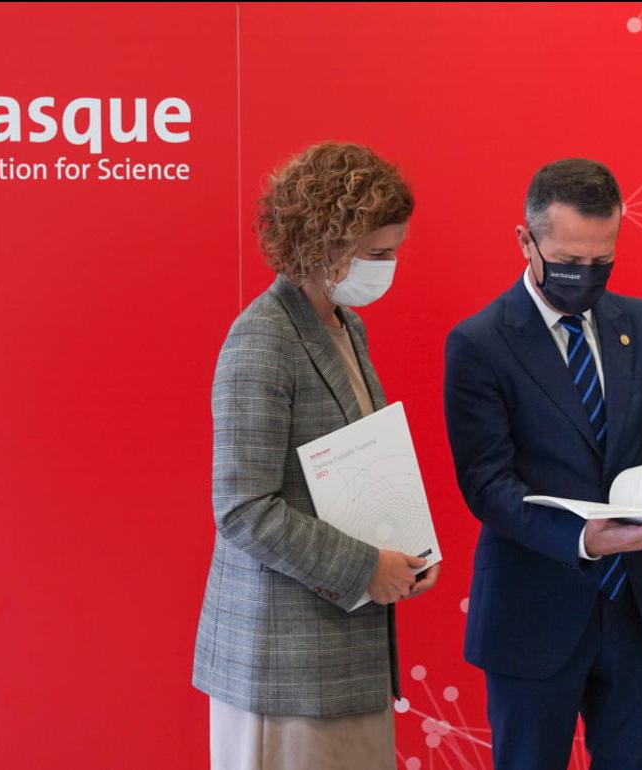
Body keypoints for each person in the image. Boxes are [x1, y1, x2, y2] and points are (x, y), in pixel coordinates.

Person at [443, 158, 642, 770]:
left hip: (635, 615)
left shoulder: (640, 325)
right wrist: (583, 538)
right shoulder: (479, 342)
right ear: (526, 240)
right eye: (569, 261)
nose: (584, 276)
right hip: (530, 615)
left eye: (601, 262)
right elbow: (486, 484)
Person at [193, 142, 440, 770]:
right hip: (284, 666)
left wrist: (410, 551)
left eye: (394, 251)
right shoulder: (263, 338)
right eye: (377, 254)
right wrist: (365, 568)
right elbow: (244, 507)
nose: (389, 267)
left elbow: (358, 460)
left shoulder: (345, 324)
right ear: (324, 244)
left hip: (344, 653)